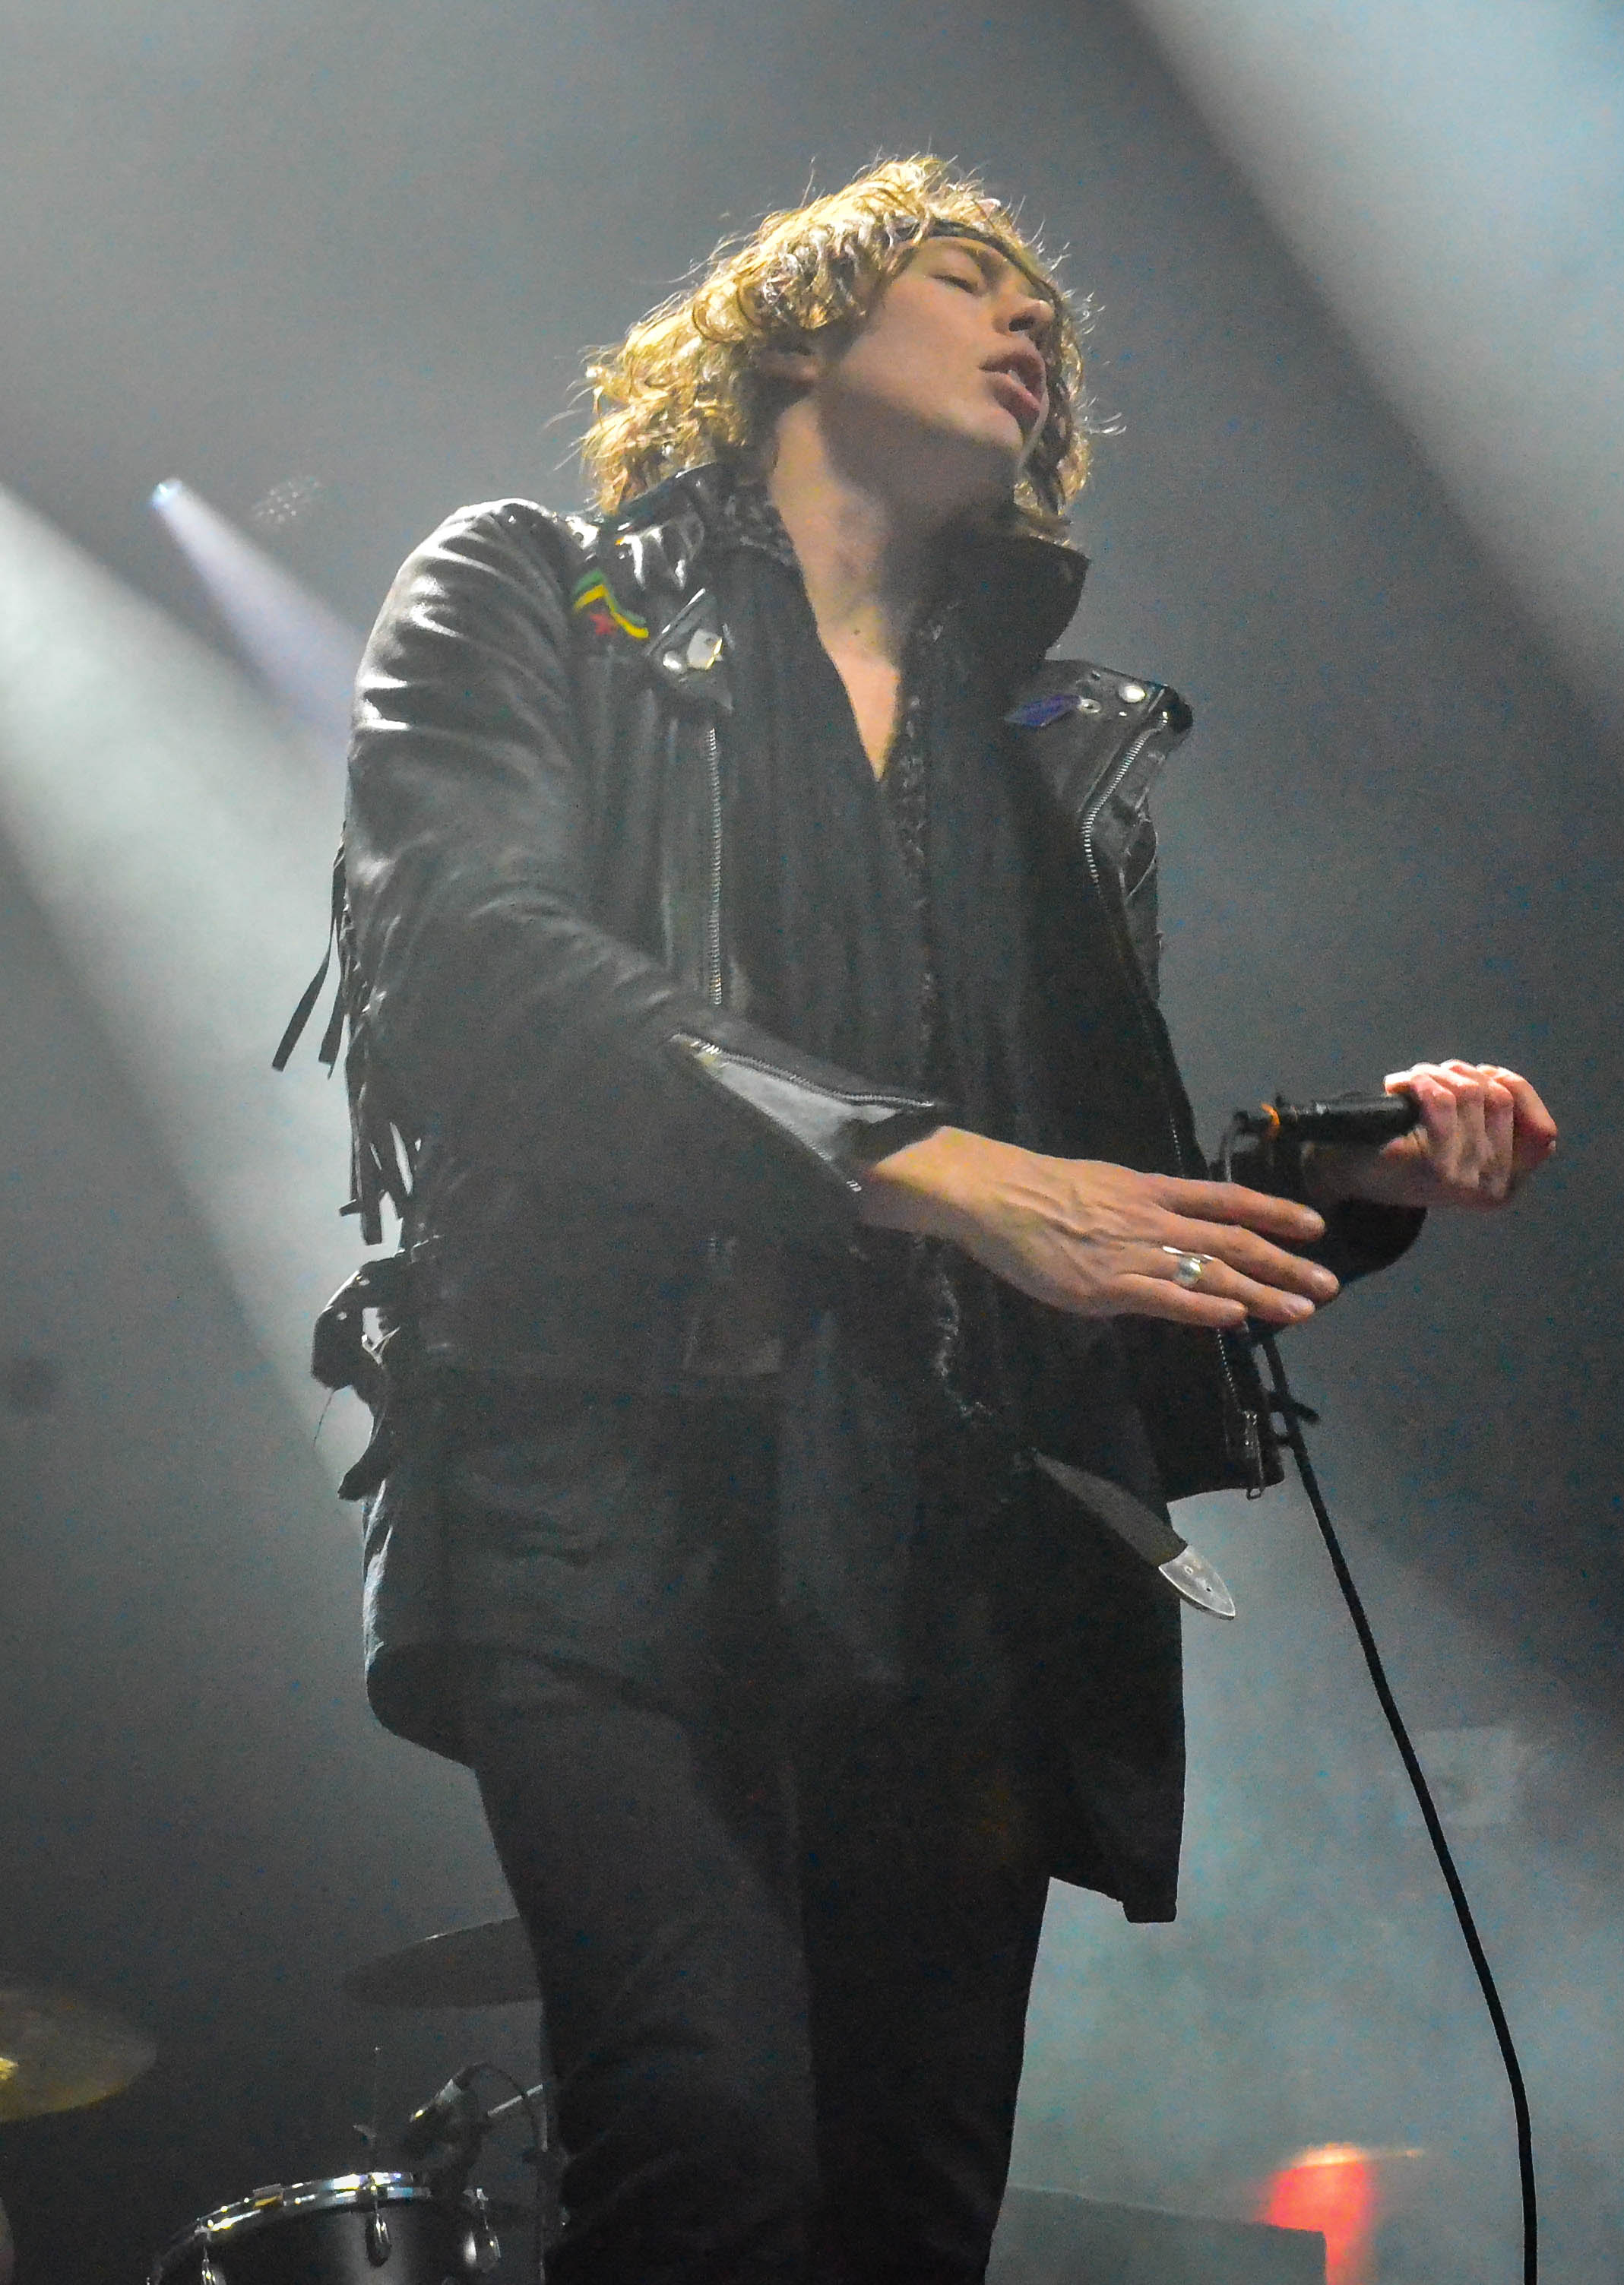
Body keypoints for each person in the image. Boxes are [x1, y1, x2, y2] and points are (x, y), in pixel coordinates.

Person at [311, 155, 1557, 2285]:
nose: (1028, 324)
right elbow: (467, 967)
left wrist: (1324, 1194)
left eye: (1047, 319)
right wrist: (935, 1164)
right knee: (706, 2143)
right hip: (603, 1485)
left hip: (962, 1546)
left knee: (902, 2221)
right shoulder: (535, 590)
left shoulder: (1039, 758)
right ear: (795, 323)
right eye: (968, 275)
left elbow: (1063, 1195)